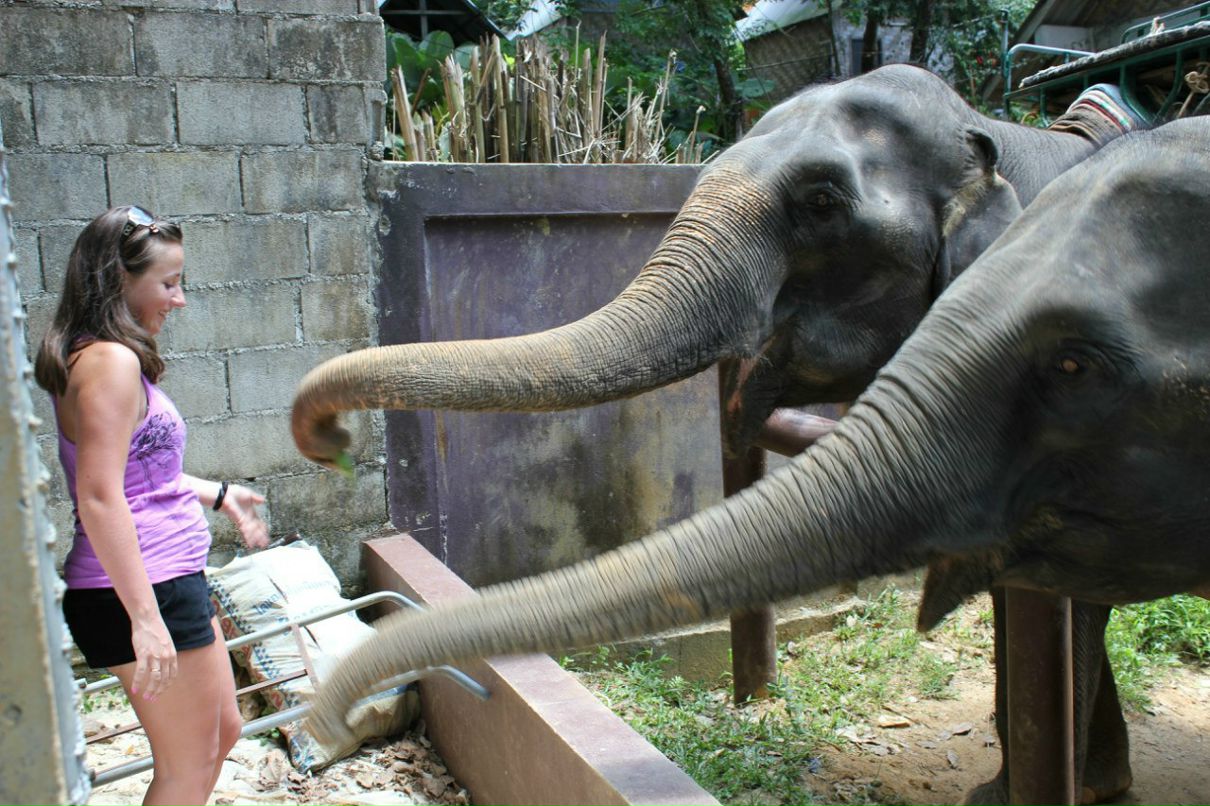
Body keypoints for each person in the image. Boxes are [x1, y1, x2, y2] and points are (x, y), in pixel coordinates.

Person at [34, 205, 270, 805]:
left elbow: (137, 472)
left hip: (167, 575)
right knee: (187, 765)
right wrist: (144, 619)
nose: (179, 299)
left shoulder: (102, 356)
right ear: (120, 279)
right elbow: (98, 496)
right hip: (140, 587)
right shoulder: (109, 362)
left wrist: (218, 494)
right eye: (168, 283)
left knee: (223, 732)